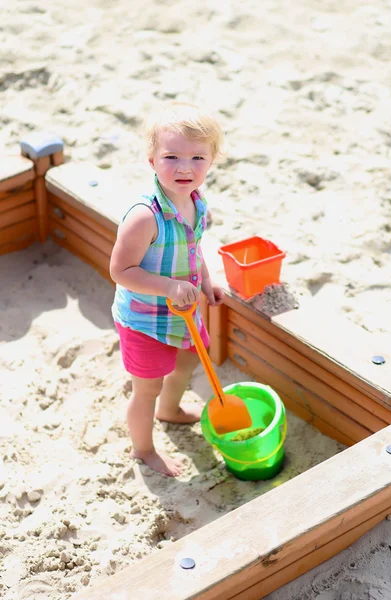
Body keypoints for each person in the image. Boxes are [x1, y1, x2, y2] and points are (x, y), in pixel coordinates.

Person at [110, 102, 224, 477]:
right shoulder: (145, 216)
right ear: (151, 160)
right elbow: (120, 270)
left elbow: (193, 248)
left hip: (183, 312)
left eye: (197, 158)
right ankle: (143, 449)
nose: (184, 168)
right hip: (144, 320)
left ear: (211, 161)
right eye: (171, 156)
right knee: (146, 388)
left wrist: (205, 281)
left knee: (190, 359)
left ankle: (170, 410)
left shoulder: (197, 203)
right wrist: (168, 286)